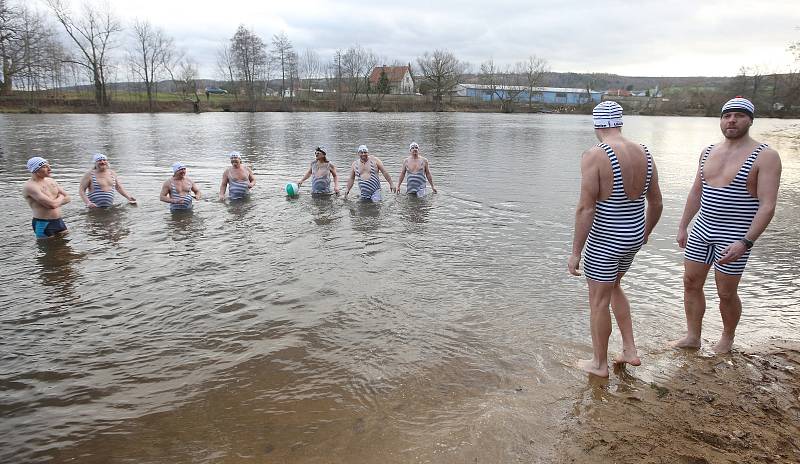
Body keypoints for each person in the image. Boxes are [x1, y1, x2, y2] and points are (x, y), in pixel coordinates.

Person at [673, 97, 781, 354]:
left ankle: (727, 338)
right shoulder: (708, 151)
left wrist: (746, 242)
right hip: (702, 230)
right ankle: (692, 337)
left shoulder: (766, 156)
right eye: (727, 115)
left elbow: (767, 205)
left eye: (739, 115)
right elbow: (696, 193)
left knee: (726, 292)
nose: (731, 120)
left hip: (735, 235)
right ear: (721, 119)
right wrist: (682, 226)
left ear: (750, 120)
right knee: (690, 282)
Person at [567, 101, 663, 377]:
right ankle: (630, 350)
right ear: (620, 122)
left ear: (597, 125)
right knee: (614, 287)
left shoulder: (595, 155)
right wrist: (645, 232)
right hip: (632, 236)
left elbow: (586, 208)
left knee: (598, 300)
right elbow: (656, 202)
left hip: (606, 239)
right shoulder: (644, 152)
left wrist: (575, 251)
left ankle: (599, 365)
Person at [23, 157, 71, 239]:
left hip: (59, 221)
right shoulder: (31, 186)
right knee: (49, 250)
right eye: (45, 167)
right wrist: (61, 196)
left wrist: (57, 201)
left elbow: (68, 198)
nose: (50, 169)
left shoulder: (51, 181)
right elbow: (52, 205)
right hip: (43, 224)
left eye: (49, 166)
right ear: (36, 170)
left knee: (66, 249)